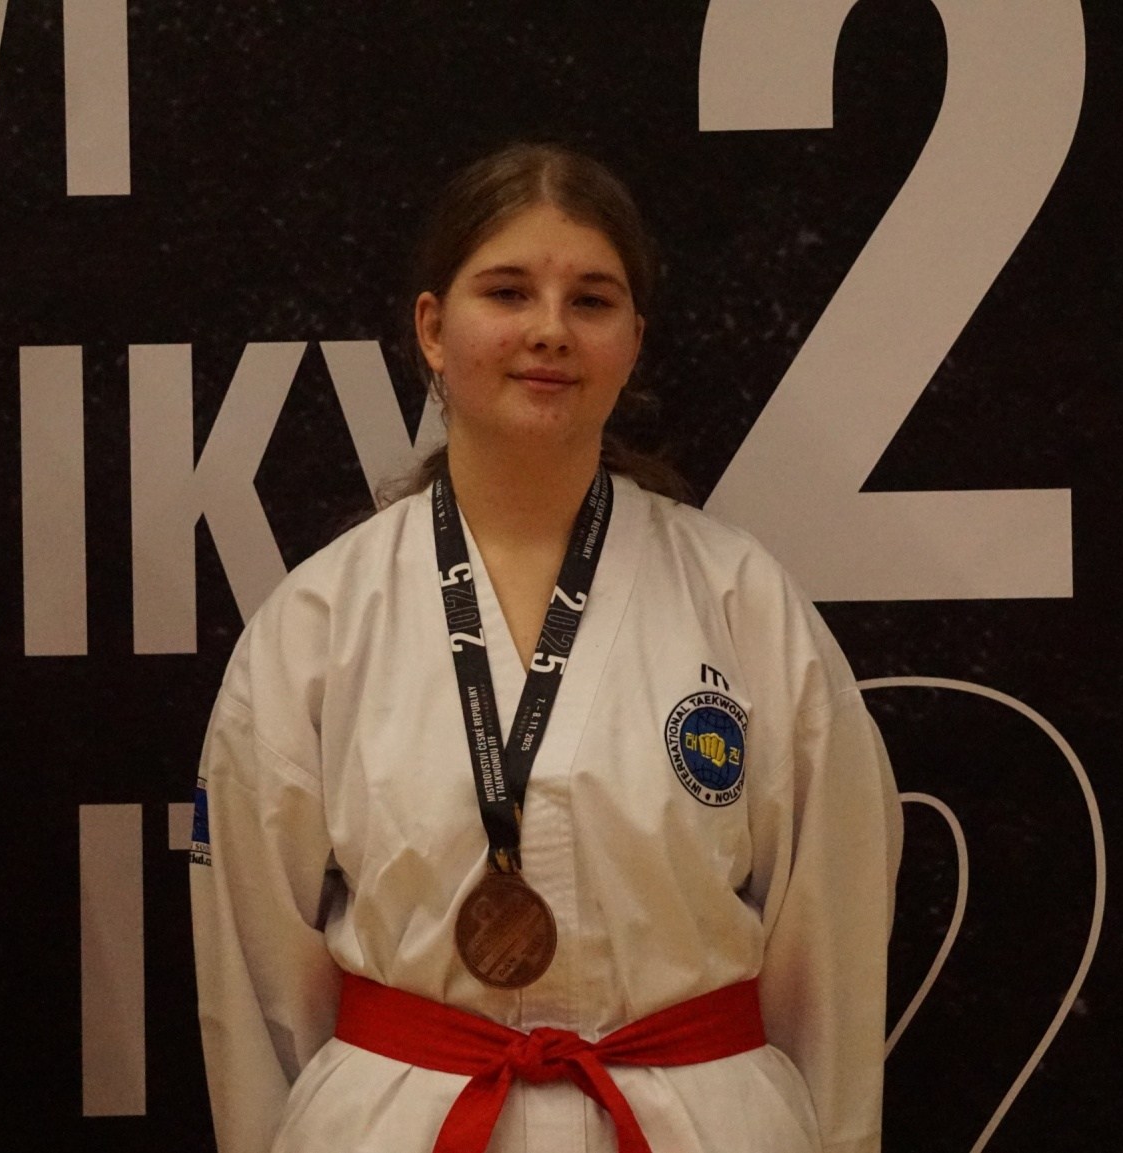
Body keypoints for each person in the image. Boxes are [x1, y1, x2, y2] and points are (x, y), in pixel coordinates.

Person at [190, 143, 902, 1153]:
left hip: (697, 1118)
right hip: (401, 1118)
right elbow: (257, 964)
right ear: (432, 329)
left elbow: (830, 940)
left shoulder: (741, 601)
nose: (550, 330)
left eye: (591, 300)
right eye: (508, 291)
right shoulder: (319, 620)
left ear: (633, 340)